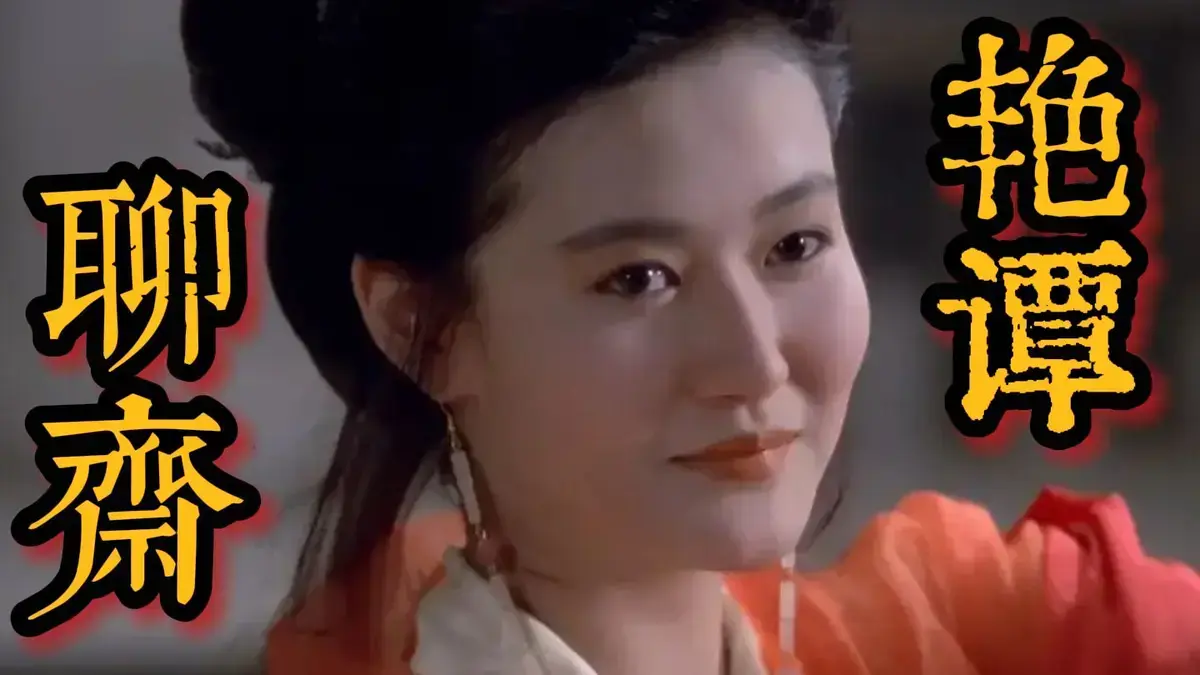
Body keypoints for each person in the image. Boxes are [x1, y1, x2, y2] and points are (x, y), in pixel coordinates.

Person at [181, 1, 1200, 673]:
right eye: (638, 278)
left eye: (794, 245)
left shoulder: (976, 628)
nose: (755, 360)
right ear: (423, 330)